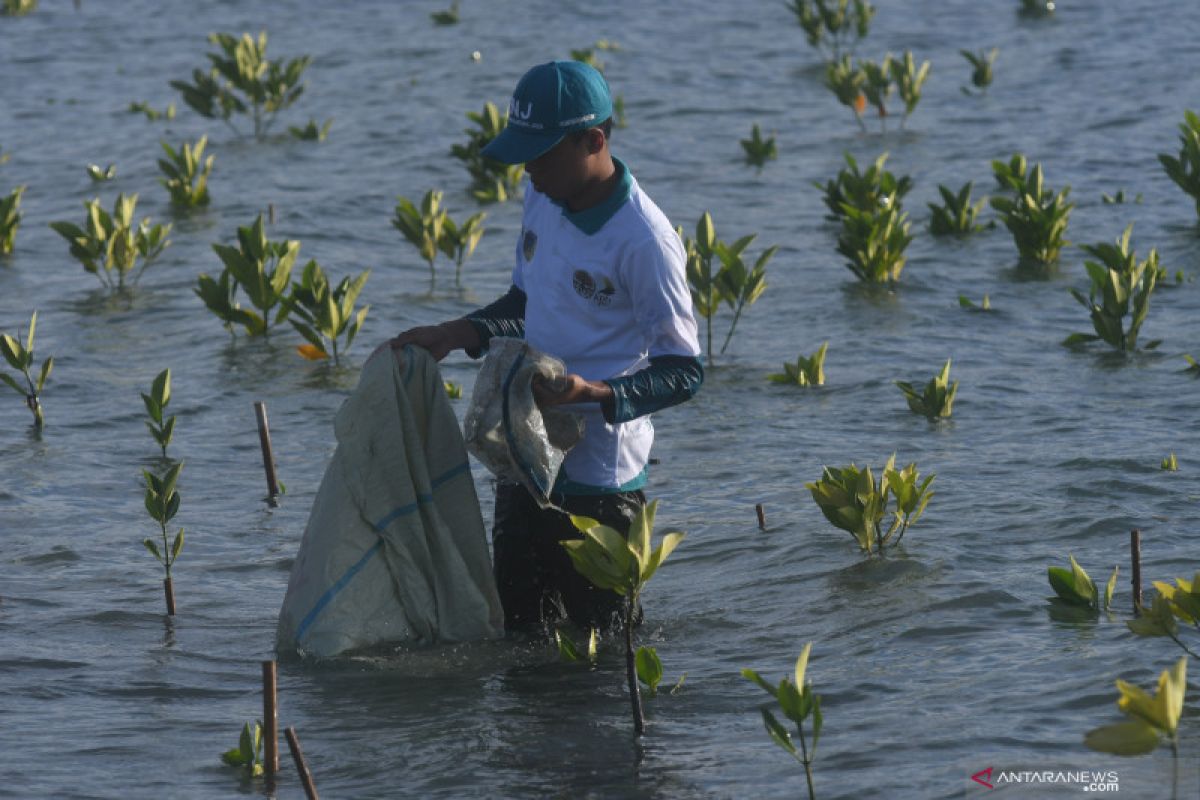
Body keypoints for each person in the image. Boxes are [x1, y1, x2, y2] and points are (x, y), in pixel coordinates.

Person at [384, 60, 703, 636]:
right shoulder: (543, 197)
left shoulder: (645, 241)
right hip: (526, 463)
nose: (527, 169)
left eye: (542, 153)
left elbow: (683, 372)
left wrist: (591, 393)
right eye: (523, 152)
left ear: (594, 141)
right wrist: (458, 333)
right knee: (521, 648)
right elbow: (526, 303)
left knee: (606, 660)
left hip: (601, 485)